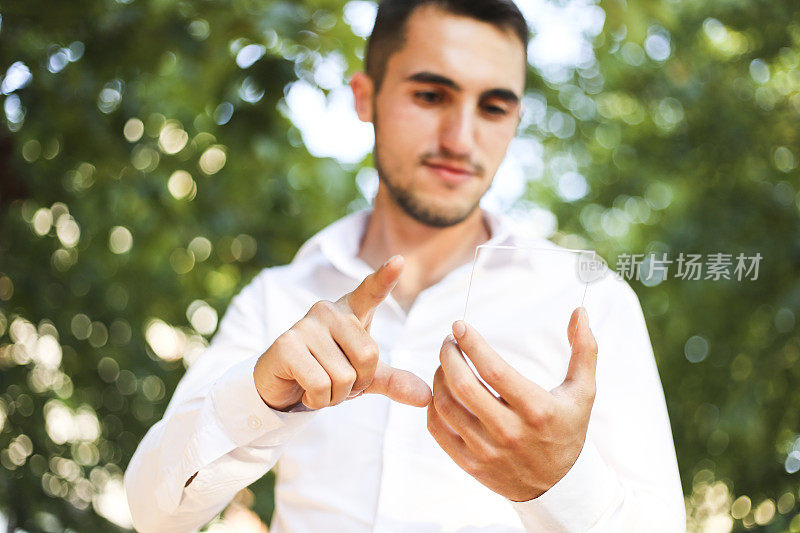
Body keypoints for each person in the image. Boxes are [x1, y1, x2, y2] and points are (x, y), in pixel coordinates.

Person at [124, 0, 686, 531]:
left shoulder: (589, 302)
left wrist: (560, 481)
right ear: (364, 97)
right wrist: (256, 398)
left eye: (494, 106)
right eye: (430, 96)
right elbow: (154, 515)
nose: (460, 139)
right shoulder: (278, 298)